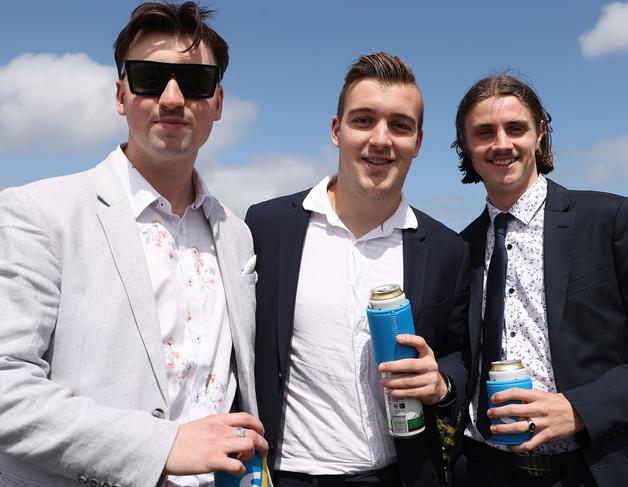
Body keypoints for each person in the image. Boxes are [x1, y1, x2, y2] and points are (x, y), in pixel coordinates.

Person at [0, 3, 267, 487]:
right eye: (148, 77)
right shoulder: (37, 212)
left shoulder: (237, 232)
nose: (171, 97)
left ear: (219, 103)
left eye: (195, 81)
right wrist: (162, 446)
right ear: (121, 96)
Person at [245, 52, 471, 487]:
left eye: (400, 126)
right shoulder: (266, 226)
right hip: (285, 474)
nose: (381, 140)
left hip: (399, 475)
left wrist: (441, 381)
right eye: (363, 120)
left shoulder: (447, 249)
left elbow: (462, 351)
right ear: (337, 130)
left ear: (418, 142)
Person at [451, 74, 628, 486]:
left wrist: (580, 409)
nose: (501, 144)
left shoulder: (613, 220)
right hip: (483, 471)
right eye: (484, 132)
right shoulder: (458, 249)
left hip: (594, 470)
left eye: (516, 128)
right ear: (466, 147)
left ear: (540, 134)